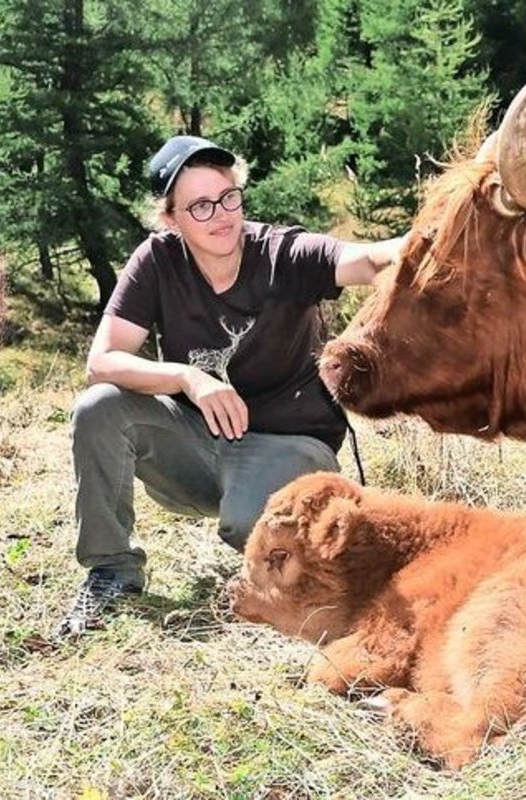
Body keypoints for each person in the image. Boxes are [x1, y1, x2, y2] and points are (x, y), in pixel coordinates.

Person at [54, 135, 405, 637]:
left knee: (248, 529)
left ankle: (297, 562)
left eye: (228, 197)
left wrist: (443, 234)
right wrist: (186, 377)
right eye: (199, 206)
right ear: (170, 219)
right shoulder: (157, 262)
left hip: (288, 444)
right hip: (197, 449)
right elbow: (101, 360)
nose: (221, 215)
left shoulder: (284, 255)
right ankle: (111, 571)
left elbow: (371, 261)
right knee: (99, 408)